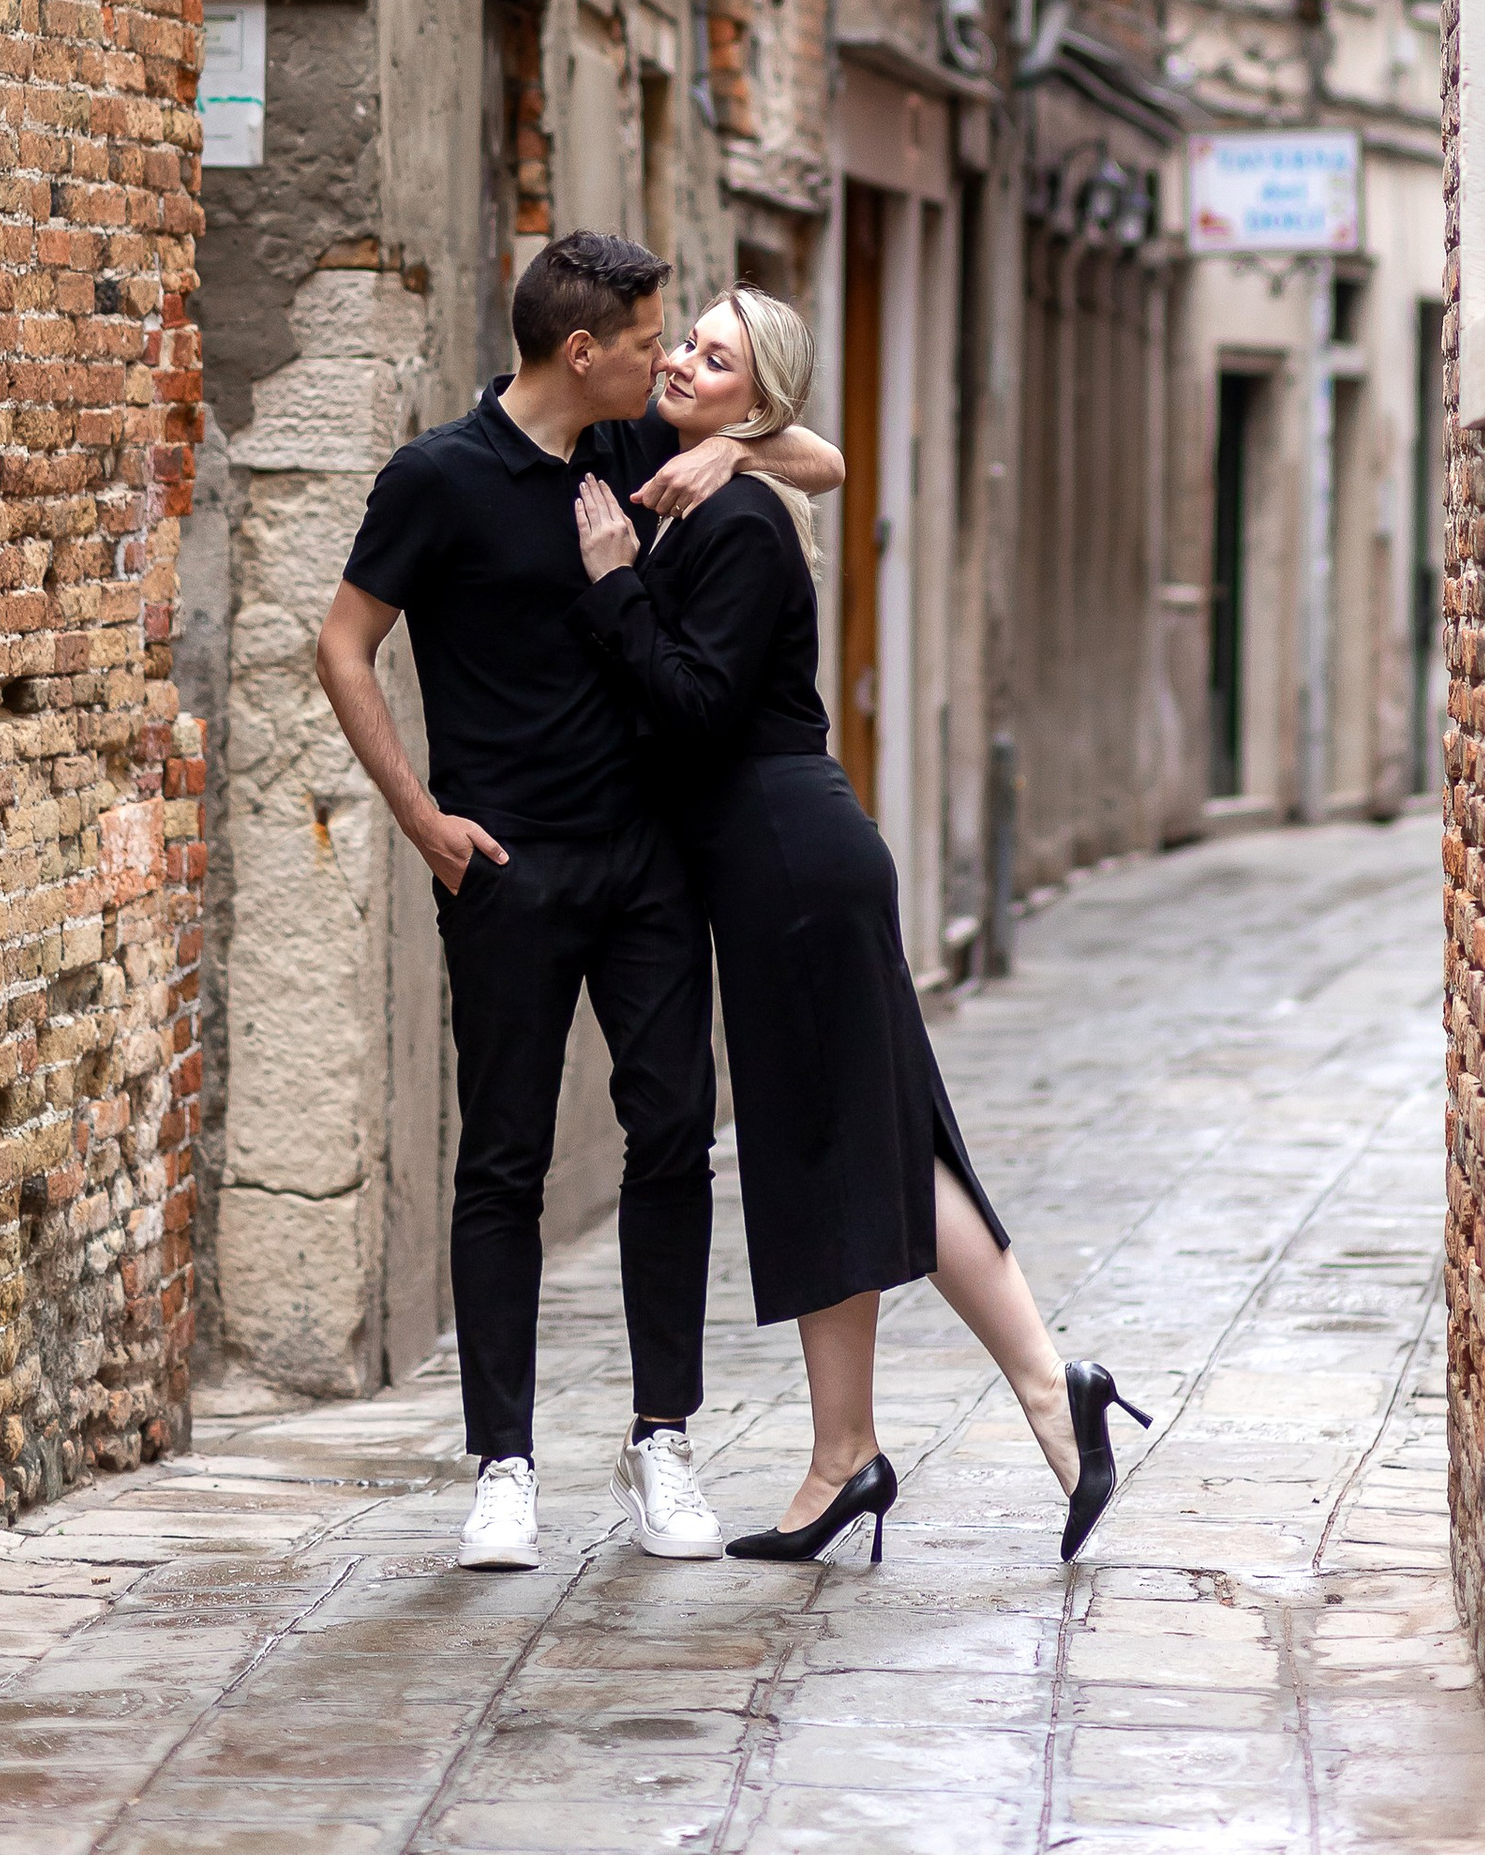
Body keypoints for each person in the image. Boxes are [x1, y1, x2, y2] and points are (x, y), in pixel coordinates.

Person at [573, 286, 1148, 1566]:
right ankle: (864, 1451)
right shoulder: (686, 479)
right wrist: (724, 442)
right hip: (774, 863)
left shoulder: (734, 526)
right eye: (683, 342)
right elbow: (816, 452)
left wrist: (614, 587)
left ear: (754, 397)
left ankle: (1035, 1399)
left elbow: (694, 713)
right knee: (836, 1144)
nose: (679, 360)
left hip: (791, 858)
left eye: (715, 359)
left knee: (859, 1143)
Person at [314, 231, 843, 1575]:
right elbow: (342, 642)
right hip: (508, 861)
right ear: (581, 352)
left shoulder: (629, 455)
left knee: (671, 1135)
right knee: (503, 1157)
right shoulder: (437, 476)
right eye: (656, 336)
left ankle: (661, 1439)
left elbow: (821, 461)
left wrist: (733, 451)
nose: (673, 359)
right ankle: (503, 1464)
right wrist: (418, 817)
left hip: (649, 855)